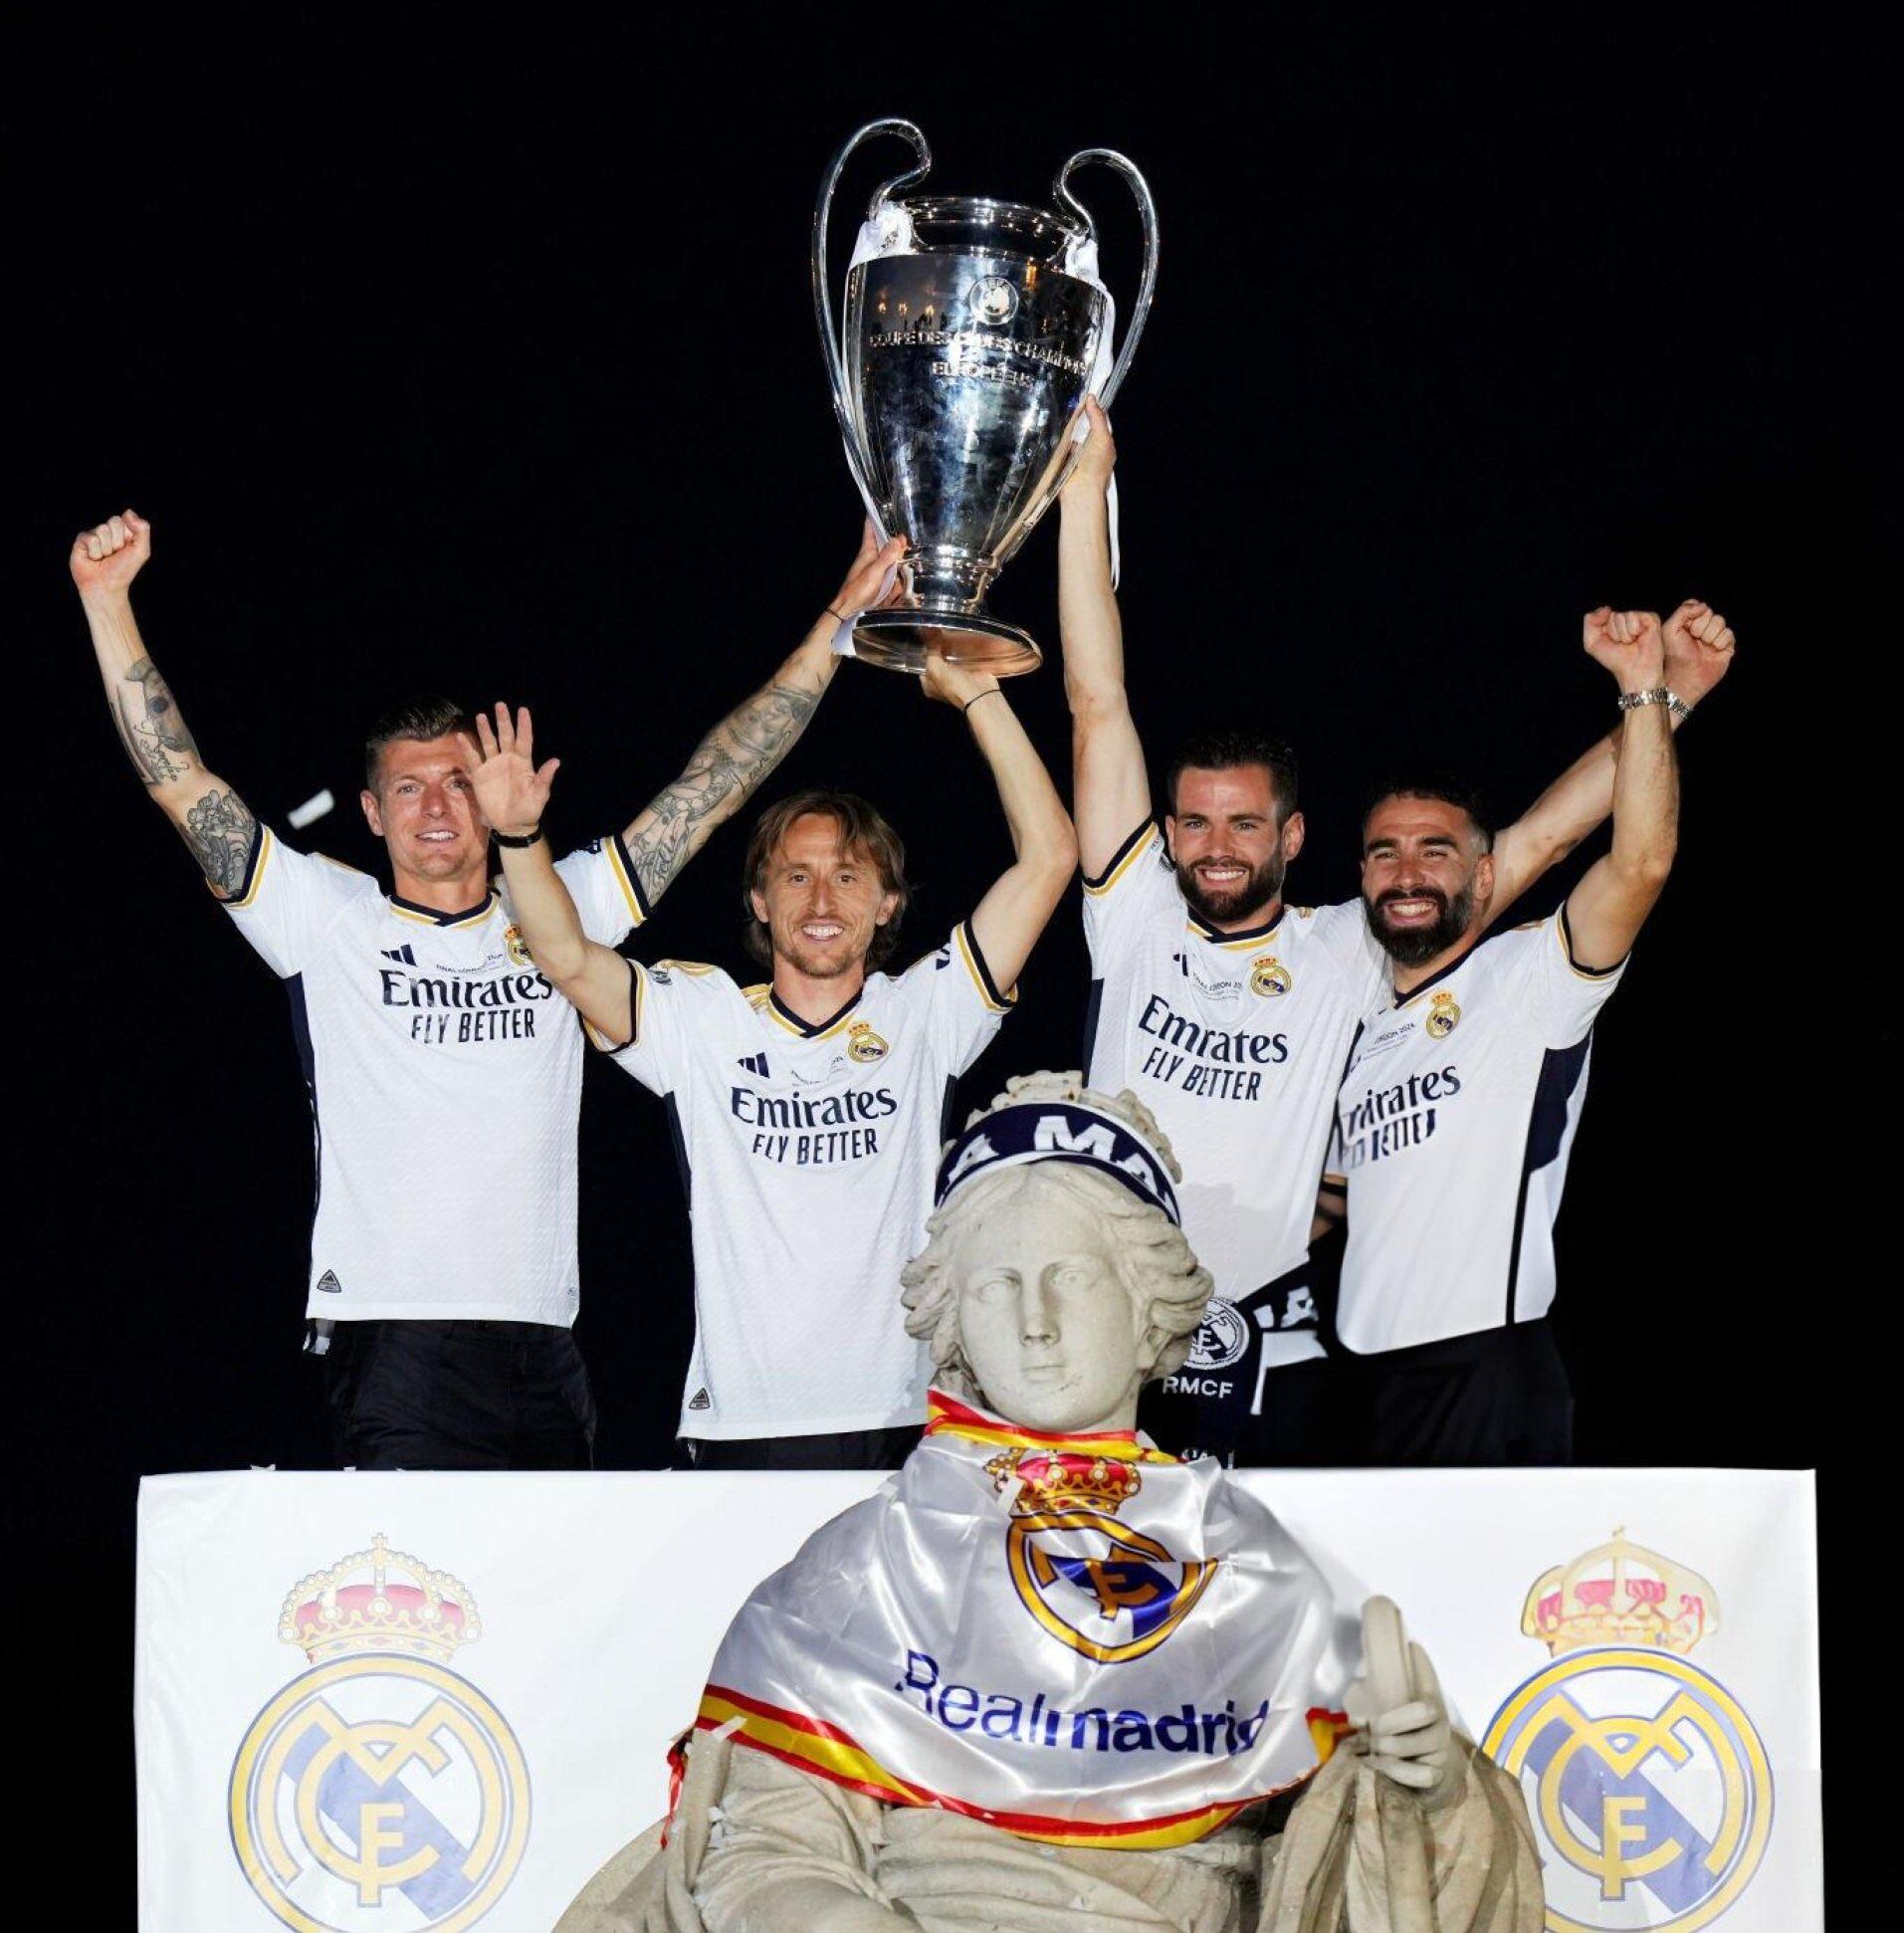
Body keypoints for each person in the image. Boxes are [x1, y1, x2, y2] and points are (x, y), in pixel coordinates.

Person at [556, 1075, 1542, 1932]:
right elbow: (760, 1853)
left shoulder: (1249, 1565)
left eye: (1069, 1278)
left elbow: (1355, 1864)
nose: (1034, 1325)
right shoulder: (865, 1563)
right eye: (995, 1288)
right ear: (954, 1323)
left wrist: (1431, 1793)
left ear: (1146, 1301)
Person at [71, 506, 904, 1468]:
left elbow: (711, 789)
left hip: (545, 1342)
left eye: (459, 783)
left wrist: (835, 627)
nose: (437, 807)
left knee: (550, 1611)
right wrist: (106, 601)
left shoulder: (559, 905)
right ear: (374, 814)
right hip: (396, 1340)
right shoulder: (326, 916)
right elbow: (181, 782)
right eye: (412, 788)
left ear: (494, 792)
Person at [1056, 398, 1737, 1463]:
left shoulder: (1344, 949)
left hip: (1273, 1355)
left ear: (1292, 836)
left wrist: (1667, 704)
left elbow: (1535, 847)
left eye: (1245, 822)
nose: (1217, 844)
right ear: (1167, 834)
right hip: (1101, 1343)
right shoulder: (1133, 913)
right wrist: (1080, 488)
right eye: (1193, 821)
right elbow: (1097, 701)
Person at [461, 653, 1077, 1468]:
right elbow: (565, 957)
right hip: (740, 1426)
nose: (822, 902)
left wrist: (977, 695)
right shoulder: (701, 1020)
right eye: (796, 876)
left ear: (888, 902)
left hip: (903, 1418)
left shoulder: (927, 1011)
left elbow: (1050, 858)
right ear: (758, 898)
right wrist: (517, 835)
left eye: (848, 877)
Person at [1321, 602, 1721, 1465]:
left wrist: (1648, 694)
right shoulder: (1353, 1023)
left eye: (1435, 850)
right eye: (1384, 852)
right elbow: (1333, 1198)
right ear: (1359, 874)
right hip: (1355, 1377)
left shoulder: (1526, 981)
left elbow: (1633, 859)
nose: (1407, 871)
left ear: (1484, 871)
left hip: (1484, 1372)